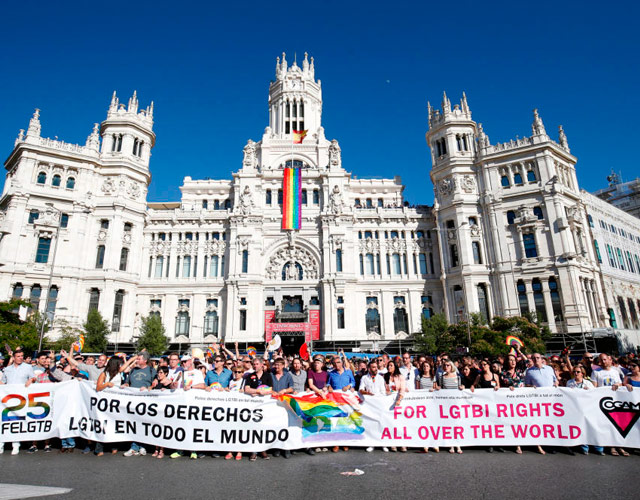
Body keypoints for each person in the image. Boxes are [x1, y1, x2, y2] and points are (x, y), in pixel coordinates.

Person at [591, 353, 629, 456]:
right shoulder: (596, 372)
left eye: (604, 359)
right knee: (607, 424)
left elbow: (620, 383)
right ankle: (611, 446)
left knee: (618, 424)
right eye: (601, 360)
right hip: (603, 401)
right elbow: (594, 387)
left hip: (615, 401)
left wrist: (618, 384)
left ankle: (620, 446)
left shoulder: (615, 371)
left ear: (609, 359)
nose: (603, 362)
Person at [1, 348, 35, 455]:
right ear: (14, 357)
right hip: (8, 398)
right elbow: (4, 382)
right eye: (18, 356)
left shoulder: (28, 367)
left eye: (22, 356)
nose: (20, 358)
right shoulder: (7, 369)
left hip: (21, 398)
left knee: (17, 421)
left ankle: (16, 445)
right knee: (4, 420)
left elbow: (34, 378)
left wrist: (31, 380)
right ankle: (1, 444)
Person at [122, 351, 156, 457]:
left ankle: (143, 445)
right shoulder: (133, 370)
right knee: (133, 423)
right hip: (133, 400)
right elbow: (128, 382)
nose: (137, 360)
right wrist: (126, 384)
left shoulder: (151, 370)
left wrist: (148, 388)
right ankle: (134, 447)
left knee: (144, 423)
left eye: (139, 359)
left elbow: (155, 384)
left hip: (145, 401)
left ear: (145, 360)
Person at [243, 358, 273, 461]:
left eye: (257, 364)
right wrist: (258, 391)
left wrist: (257, 392)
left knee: (263, 427)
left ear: (261, 365)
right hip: (253, 406)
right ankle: (253, 451)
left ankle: (263, 450)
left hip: (265, 405)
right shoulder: (249, 376)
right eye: (253, 364)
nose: (255, 366)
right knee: (253, 427)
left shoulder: (267, 375)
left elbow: (270, 389)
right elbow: (246, 389)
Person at [359, 360, 390, 453]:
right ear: (369, 368)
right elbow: (361, 389)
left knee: (381, 423)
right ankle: (371, 443)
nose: (375, 369)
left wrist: (378, 399)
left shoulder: (380, 378)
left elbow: (383, 392)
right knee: (371, 424)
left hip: (379, 403)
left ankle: (383, 443)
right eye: (373, 367)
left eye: (376, 367)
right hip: (369, 404)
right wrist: (366, 393)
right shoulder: (364, 378)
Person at [435, 359, 463, 454]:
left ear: (452, 366)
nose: (446, 367)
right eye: (445, 365)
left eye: (448, 365)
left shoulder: (458, 377)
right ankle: (451, 445)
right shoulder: (442, 377)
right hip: (446, 404)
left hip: (456, 404)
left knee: (457, 424)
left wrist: (462, 387)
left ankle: (458, 445)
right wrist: (437, 388)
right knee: (449, 425)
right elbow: (441, 388)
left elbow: (461, 387)